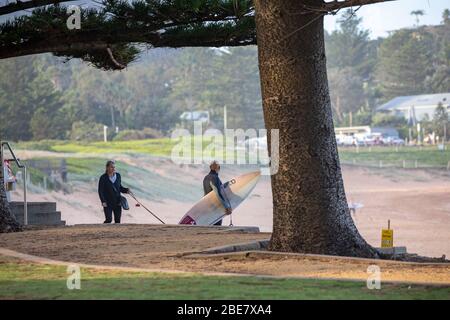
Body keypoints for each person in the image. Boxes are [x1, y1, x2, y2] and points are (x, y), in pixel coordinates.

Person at [203, 161, 232, 226]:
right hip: (215, 207)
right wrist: (227, 207)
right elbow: (218, 194)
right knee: (217, 225)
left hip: (207, 206)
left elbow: (206, 193)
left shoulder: (206, 177)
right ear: (218, 168)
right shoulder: (215, 178)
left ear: (210, 167)